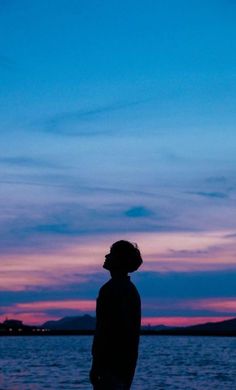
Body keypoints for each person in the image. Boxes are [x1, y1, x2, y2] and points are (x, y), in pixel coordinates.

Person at [90, 240, 143, 390]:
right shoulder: (129, 290)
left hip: (111, 365)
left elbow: (105, 331)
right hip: (123, 365)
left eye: (111, 253)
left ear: (119, 260)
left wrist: (96, 365)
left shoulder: (112, 289)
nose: (106, 256)